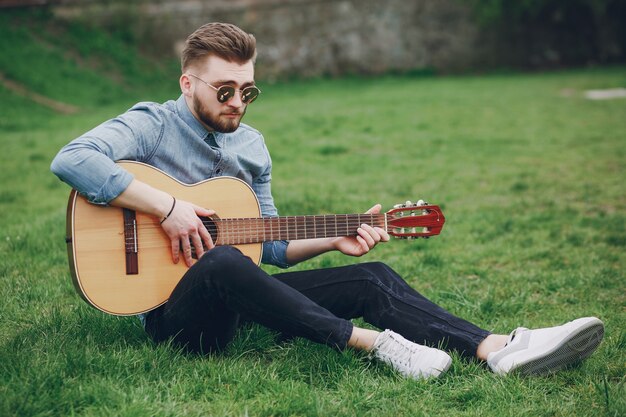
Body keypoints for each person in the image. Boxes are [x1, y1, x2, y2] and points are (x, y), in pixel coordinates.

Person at [51, 22, 604, 380]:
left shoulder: (251, 147)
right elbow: (73, 159)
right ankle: (374, 345)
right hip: (179, 316)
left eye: (248, 90)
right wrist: (167, 208)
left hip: (244, 293)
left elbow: (267, 247)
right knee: (218, 260)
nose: (238, 101)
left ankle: (499, 348)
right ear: (188, 82)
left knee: (370, 275)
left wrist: (331, 239)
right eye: (224, 90)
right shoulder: (152, 124)